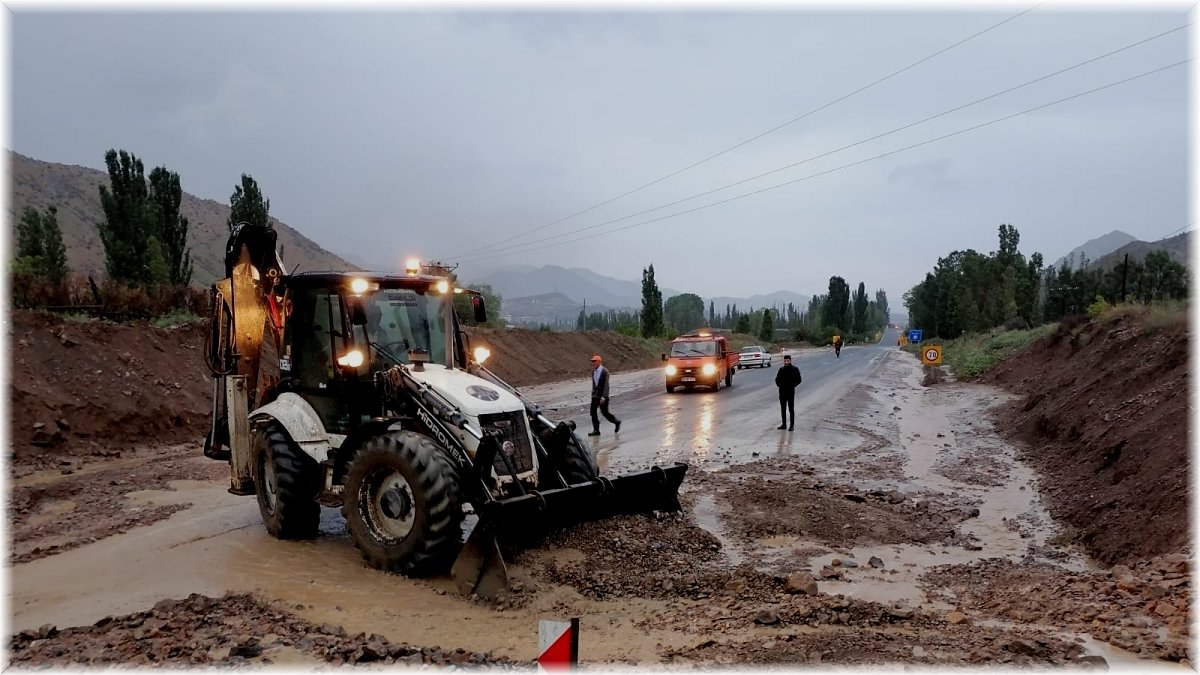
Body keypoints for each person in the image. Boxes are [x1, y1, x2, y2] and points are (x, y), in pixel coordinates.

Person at [588, 354, 621, 437]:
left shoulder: (604, 371)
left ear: (599, 362)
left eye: (594, 361)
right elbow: (594, 384)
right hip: (595, 396)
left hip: (602, 396)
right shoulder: (593, 372)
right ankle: (596, 430)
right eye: (592, 361)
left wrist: (604, 397)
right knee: (593, 412)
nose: (593, 363)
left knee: (605, 412)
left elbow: (606, 385)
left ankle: (616, 421)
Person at [774, 354, 802, 431]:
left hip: (790, 392)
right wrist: (779, 385)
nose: (786, 362)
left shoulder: (795, 369)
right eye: (785, 361)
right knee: (783, 409)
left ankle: (792, 425)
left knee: (791, 409)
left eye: (787, 361)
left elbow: (799, 380)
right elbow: (777, 379)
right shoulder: (781, 369)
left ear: (790, 361)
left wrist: (793, 385)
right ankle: (784, 424)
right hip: (782, 392)